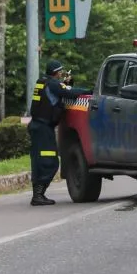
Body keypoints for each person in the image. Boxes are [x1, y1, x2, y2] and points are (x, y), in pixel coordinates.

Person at [27, 60, 93, 206]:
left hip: (39, 126)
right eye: (61, 72)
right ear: (56, 72)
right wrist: (90, 92)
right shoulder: (52, 84)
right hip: (43, 128)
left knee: (40, 161)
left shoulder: (42, 81)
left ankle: (38, 195)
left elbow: (60, 91)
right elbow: (69, 93)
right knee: (48, 161)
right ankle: (38, 196)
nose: (62, 74)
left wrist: (66, 84)